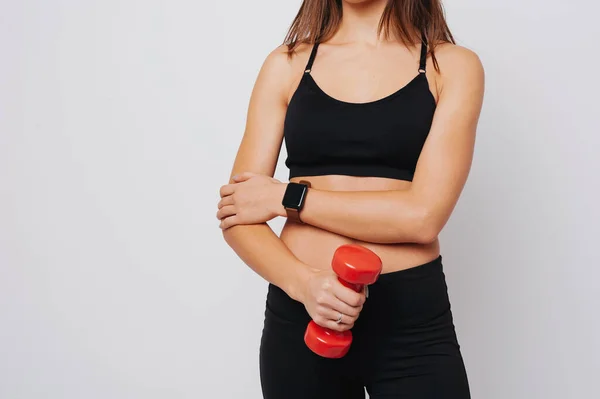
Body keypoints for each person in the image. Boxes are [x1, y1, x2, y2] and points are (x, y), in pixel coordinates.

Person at [217, 0, 484, 397]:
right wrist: (305, 285)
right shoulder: (286, 64)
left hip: (411, 323)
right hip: (302, 314)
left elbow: (422, 217)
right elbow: (239, 212)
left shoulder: (451, 66)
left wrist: (287, 197)